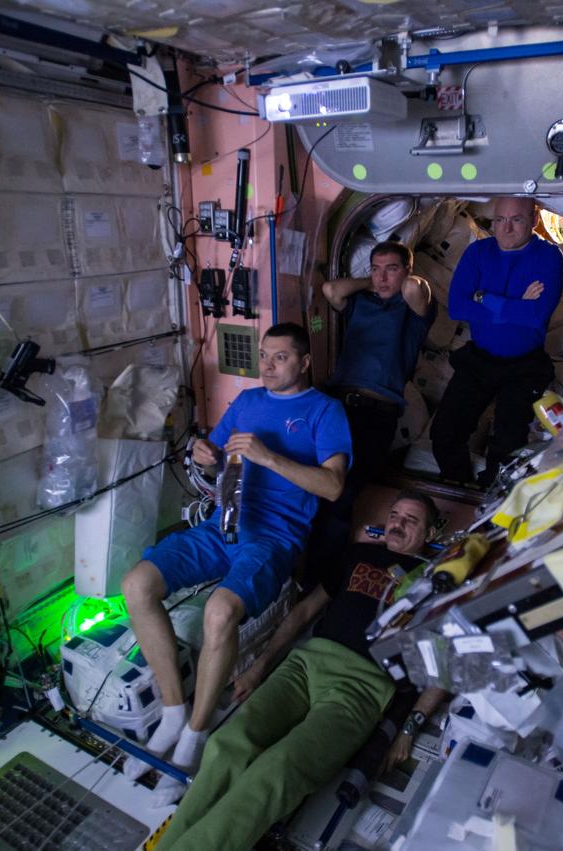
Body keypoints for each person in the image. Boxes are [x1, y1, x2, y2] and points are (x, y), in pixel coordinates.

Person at [153, 490, 450, 851]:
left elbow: (445, 665)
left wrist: (409, 727)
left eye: (411, 520)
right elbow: (305, 612)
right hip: (306, 663)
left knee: (278, 769)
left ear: (430, 534)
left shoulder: (437, 581)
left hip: (361, 686)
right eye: (395, 514)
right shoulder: (357, 555)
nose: (397, 524)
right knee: (226, 744)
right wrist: (260, 667)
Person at [120, 322, 351, 783]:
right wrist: (204, 451)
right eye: (264, 355)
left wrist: (270, 458)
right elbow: (216, 450)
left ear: (305, 362)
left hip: (274, 537)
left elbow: (332, 486)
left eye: (280, 357)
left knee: (220, 611)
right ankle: (172, 712)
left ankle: (196, 733)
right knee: (137, 584)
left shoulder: (325, 411)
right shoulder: (246, 401)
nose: (267, 364)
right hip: (221, 524)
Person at [306, 241, 435, 584]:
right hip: (335, 404)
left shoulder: (413, 311)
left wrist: (396, 278)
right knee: (308, 486)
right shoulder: (362, 301)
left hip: (376, 413)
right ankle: (294, 569)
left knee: (342, 496)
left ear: (407, 269)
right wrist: (373, 281)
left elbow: (412, 288)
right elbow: (330, 289)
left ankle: (318, 581)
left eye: (391, 268)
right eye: (375, 268)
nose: (381, 277)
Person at [431, 196, 563, 485]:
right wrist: (516, 305)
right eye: (499, 220)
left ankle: (489, 501)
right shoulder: (478, 252)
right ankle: (458, 485)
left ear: (534, 220)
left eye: (516, 220)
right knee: (444, 432)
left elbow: (535, 317)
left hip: (525, 365)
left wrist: (484, 297)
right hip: (479, 358)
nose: (506, 229)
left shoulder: (550, 257)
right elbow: (458, 307)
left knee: (508, 444)